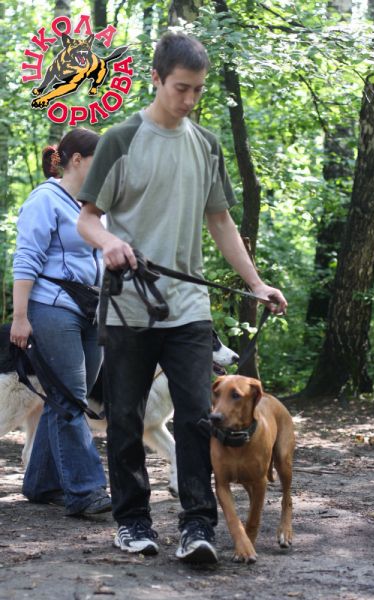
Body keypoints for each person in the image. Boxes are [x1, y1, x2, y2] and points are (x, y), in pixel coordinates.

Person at [77, 32, 287, 563]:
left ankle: (197, 526)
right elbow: (88, 219)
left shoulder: (207, 144)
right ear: (156, 78)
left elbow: (221, 222)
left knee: (199, 415)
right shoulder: (120, 140)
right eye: (180, 88)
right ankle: (133, 522)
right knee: (126, 418)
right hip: (129, 307)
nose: (189, 99)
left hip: (188, 309)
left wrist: (256, 283)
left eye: (198, 90)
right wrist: (109, 243)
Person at [10, 128, 111, 517]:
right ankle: (86, 490)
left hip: (94, 309)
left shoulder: (97, 205)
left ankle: (41, 483)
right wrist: (21, 317)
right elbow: (26, 258)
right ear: (77, 160)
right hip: (51, 306)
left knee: (66, 397)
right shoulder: (44, 199)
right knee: (71, 396)